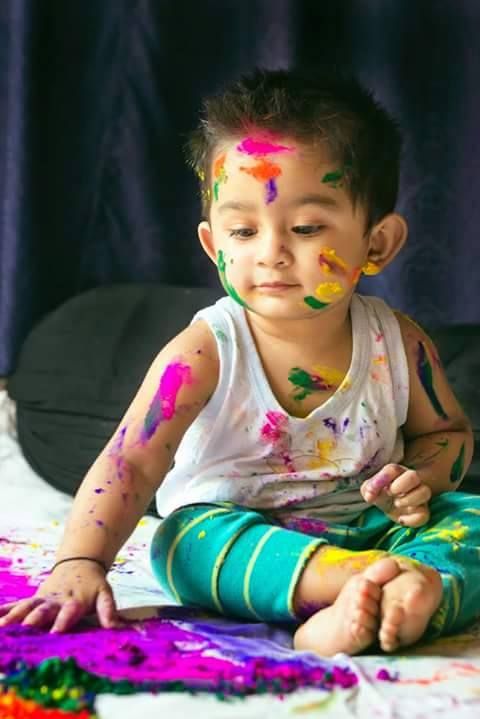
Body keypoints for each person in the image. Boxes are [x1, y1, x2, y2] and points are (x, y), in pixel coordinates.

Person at [1, 67, 478, 657]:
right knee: (183, 543)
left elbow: (448, 435)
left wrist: (423, 477)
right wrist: (80, 561)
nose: (272, 252)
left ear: (376, 243)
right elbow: (132, 459)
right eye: (244, 230)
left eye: (305, 227)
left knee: (469, 519)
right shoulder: (205, 350)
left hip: (372, 524)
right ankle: (364, 586)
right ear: (213, 244)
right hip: (246, 535)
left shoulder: (399, 343)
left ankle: (401, 592)